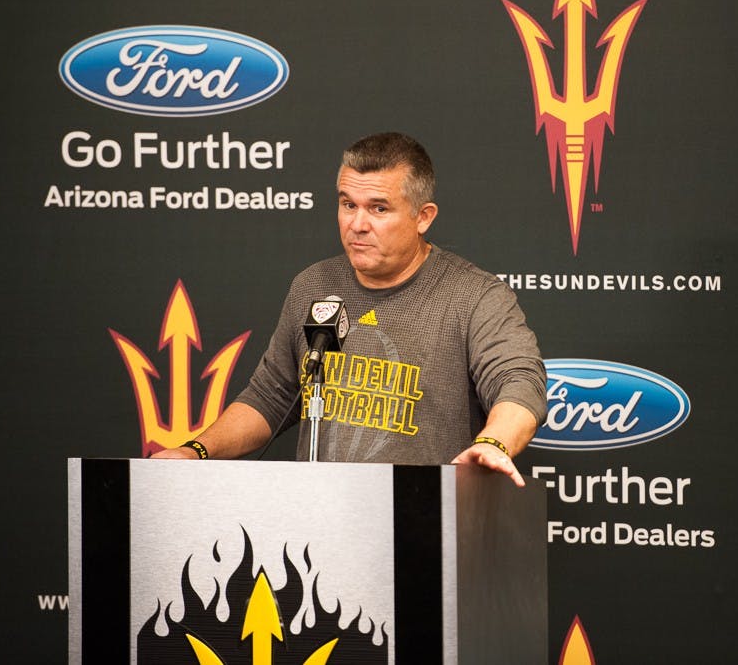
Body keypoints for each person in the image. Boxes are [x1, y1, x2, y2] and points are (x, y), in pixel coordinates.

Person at [153, 132, 546, 485]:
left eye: (378, 209)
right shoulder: (313, 285)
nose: (357, 224)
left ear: (423, 217)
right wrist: (195, 451)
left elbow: (519, 382)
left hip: (423, 517)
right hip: (320, 521)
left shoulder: (475, 295)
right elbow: (271, 397)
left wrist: (494, 443)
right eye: (347, 204)